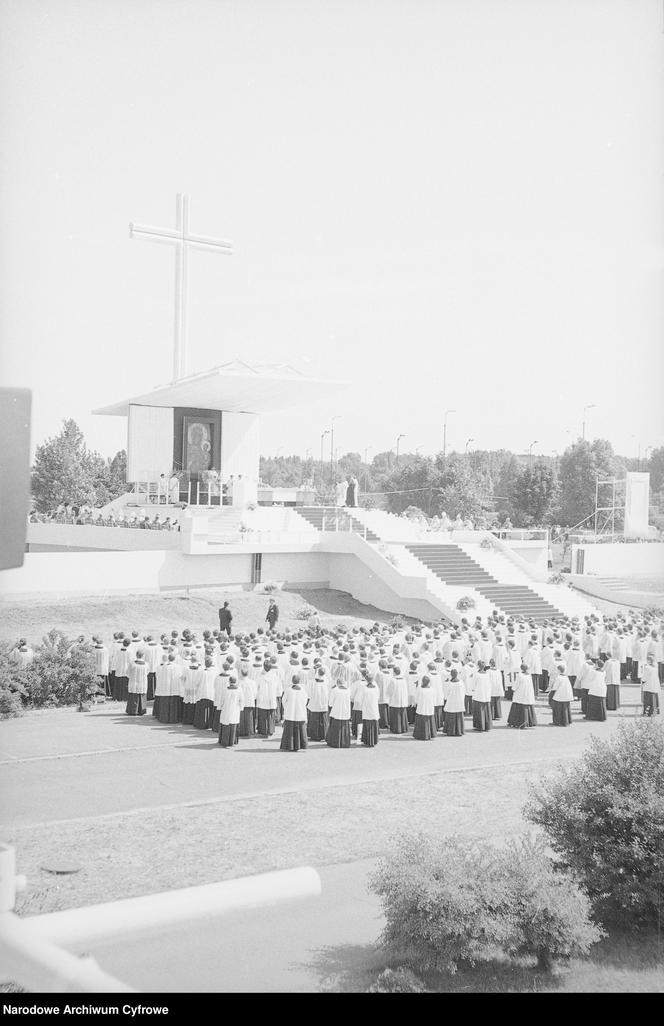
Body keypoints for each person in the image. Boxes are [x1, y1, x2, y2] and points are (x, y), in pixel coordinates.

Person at [280, 675, 308, 751]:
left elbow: (283, 701)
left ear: (292, 681)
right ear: (299, 681)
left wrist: (287, 708)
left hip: (290, 713)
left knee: (289, 729)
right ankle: (300, 745)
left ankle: (289, 745)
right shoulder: (303, 691)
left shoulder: (288, 690)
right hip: (300, 712)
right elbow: (305, 701)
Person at [507, 664, 537, 729]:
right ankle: (529, 722)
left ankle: (516, 722)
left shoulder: (519, 675)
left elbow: (516, 684)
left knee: (518, 706)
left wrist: (513, 689)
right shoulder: (529, 675)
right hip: (527, 693)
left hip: (520, 693)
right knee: (526, 705)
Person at [219, 676, 244, 747]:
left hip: (226, 709)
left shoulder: (225, 689)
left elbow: (222, 699)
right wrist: (241, 708)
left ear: (229, 681)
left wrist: (221, 707)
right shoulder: (239, 690)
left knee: (226, 723)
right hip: (235, 709)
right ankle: (233, 741)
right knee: (233, 723)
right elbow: (241, 700)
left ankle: (224, 740)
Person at [307, 666, 330, 741]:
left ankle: (314, 735)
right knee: (323, 719)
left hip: (314, 703)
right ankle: (324, 734)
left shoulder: (312, 682)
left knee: (314, 719)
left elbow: (309, 693)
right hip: (323, 703)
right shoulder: (327, 681)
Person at [326, 679, 351, 748]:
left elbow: (330, 703)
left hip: (336, 711)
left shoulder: (335, 690)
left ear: (337, 683)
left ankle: (334, 742)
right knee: (344, 727)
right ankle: (345, 742)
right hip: (345, 711)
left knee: (335, 727)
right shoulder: (348, 690)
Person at [358, 673, 380, 747]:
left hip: (367, 707)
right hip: (374, 707)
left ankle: (367, 740)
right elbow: (378, 696)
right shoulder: (376, 688)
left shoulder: (364, 688)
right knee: (374, 722)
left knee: (367, 723)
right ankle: (374, 740)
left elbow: (360, 698)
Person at [413, 675, 436, 740]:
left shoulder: (420, 689)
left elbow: (416, 699)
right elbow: (434, 698)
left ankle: (420, 734)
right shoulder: (432, 689)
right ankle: (431, 733)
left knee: (421, 718)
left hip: (421, 707)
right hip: (429, 707)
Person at [443, 668, 465, 736]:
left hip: (451, 702)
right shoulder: (461, 682)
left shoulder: (449, 683)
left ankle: (450, 731)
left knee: (450, 714)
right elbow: (464, 691)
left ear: (451, 675)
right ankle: (459, 730)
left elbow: (446, 694)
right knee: (458, 714)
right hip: (459, 701)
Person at [471, 661, 492, 732]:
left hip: (478, 694)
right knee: (486, 710)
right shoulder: (487, 674)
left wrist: (473, 690)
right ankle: (487, 725)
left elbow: (473, 685)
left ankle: (479, 725)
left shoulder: (476, 674)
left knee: (479, 710)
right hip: (486, 694)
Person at [126, 650, 148, 716]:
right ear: (143, 656)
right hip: (142, 682)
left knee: (133, 695)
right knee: (141, 695)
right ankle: (141, 710)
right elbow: (147, 672)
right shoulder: (146, 664)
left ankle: (132, 710)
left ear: (136, 655)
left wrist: (131, 677)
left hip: (134, 682)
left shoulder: (132, 664)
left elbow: (127, 673)